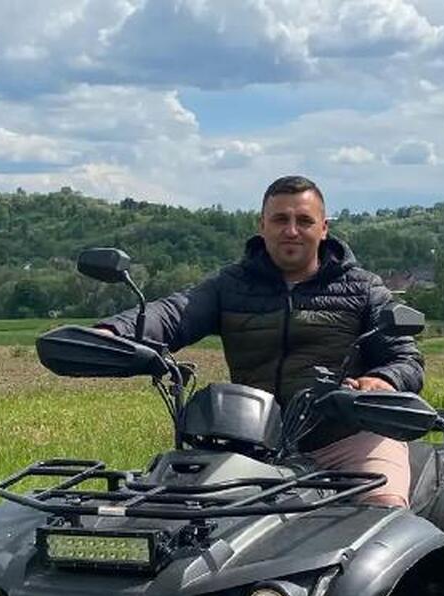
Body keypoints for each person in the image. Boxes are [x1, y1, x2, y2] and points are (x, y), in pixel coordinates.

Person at [96, 175, 424, 507]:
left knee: (382, 512)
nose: (291, 230)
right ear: (262, 226)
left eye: (304, 221)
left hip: (348, 439)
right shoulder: (232, 284)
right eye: (280, 219)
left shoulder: (362, 288)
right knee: (176, 514)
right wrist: (113, 332)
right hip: (249, 442)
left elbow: (405, 358)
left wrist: (383, 380)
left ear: (324, 228)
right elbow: (174, 313)